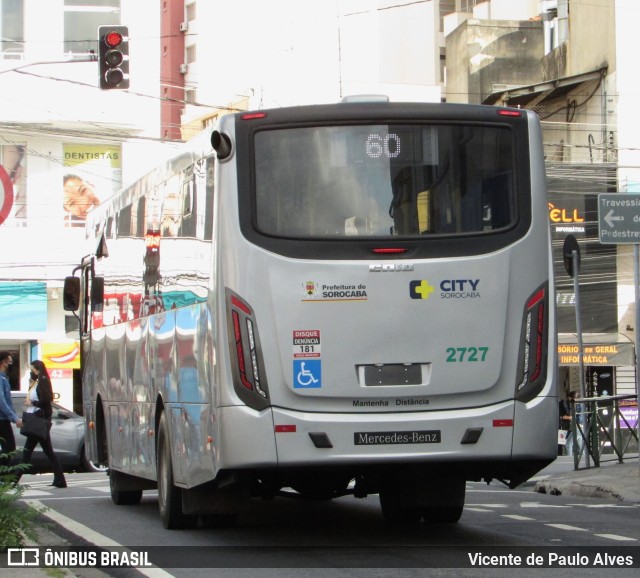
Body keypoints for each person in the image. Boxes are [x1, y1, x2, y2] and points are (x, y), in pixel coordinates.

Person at [18, 360, 67, 487]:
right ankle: (60, 480)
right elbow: (34, 395)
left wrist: (32, 403)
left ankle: (13, 481)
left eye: (32, 369)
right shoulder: (37, 382)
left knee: (27, 453)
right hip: (36, 420)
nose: (31, 371)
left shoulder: (43, 380)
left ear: (37, 368)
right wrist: (31, 383)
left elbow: (46, 400)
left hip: (39, 420)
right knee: (46, 451)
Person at [0, 351, 22, 467]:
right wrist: (14, 418)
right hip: (2, 420)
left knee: (8, 450)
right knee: (9, 450)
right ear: (4, 363)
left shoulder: (4, 378)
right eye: (10, 362)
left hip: (4, 419)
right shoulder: (0, 378)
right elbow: (2, 401)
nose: (11, 364)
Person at [559, 390, 576, 456]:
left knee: (569, 443)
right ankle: (566, 455)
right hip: (564, 425)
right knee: (566, 443)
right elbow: (561, 416)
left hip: (569, 425)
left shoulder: (569, 404)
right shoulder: (562, 404)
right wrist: (570, 417)